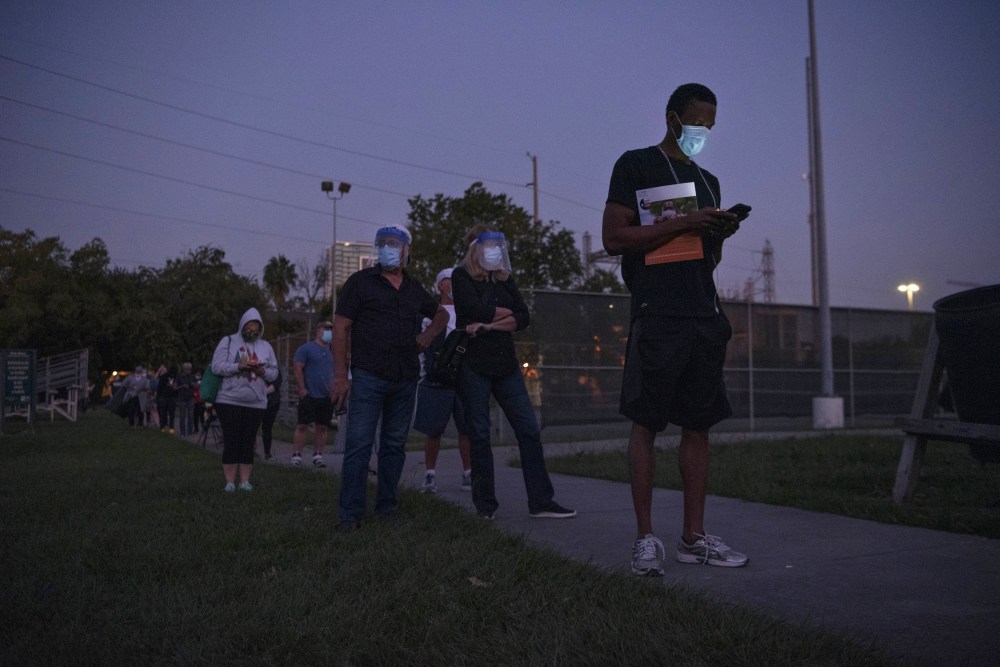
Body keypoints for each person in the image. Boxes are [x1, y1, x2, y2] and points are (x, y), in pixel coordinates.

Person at [601, 82, 748, 575]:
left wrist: (717, 232)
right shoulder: (636, 164)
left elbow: (709, 257)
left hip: (703, 312)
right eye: (696, 122)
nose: (703, 132)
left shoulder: (709, 181)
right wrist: (682, 225)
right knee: (646, 423)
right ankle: (646, 539)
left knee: (699, 425)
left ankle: (694, 536)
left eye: (710, 125)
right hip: (657, 309)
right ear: (671, 119)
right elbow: (615, 237)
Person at [452, 226, 576, 521]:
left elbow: (523, 317)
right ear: (475, 250)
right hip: (474, 366)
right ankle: (485, 506)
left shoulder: (506, 280)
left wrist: (492, 322)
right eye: (489, 245)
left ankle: (541, 501)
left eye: (498, 245)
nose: (495, 250)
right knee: (480, 435)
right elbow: (471, 309)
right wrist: (501, 313)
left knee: (529, 431)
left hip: (506, 366)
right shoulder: (462, 277)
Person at [331, 225, 448, 532]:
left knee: (394, 445)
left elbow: (442, 315)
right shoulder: (360, 283)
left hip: (405, 377)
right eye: (383, 244)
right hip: (368, 376)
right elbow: (341, 328)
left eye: (395, 244)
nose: (388, 249)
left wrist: (428, 334)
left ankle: (387, 506)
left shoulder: (413, 287)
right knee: (358, 444)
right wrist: (341, 376)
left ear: (407, 251)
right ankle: (350, 513)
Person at [415, 268, 472, 494]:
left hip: (463, 379)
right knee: (434, 430)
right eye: (450, 281)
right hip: (436, 379)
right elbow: (421, 347)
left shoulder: (468, 312)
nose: (454, 285)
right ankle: (430, 475)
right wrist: (422, 374)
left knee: (466, 429)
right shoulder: (430, 315)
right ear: (440, 285)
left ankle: (469, 473)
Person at [211, 307, 278, 492]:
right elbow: (216, 367)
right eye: (249, 326)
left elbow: (274, 374)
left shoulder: (266, 347)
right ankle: (230, 482)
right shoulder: (228, 341)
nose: (252, 330)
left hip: (256, 402)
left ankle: (245, 481)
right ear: (242, 325)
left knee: (248, 441)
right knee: (232, 440)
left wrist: (261, 370)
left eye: (256, 327)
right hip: (229, 399)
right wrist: (238, 366)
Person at [291, 321, 335, 468]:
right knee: (302, 425)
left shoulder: (332, 351)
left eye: (331, 329)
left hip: (326, 396)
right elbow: (298, 368)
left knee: (322, 427)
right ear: (318, 330)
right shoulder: (306, 349)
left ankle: (318, 455)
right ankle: (297, 455)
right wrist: (302, 389)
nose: (329, 331)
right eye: (326, 328)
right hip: (309, 395)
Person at [260, 368, 282, 460]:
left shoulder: (275, 369)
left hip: (271, 402)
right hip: (257, 401)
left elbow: (276, 383)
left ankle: (267, 452)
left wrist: (263, 392)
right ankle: (250, 450)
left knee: (267, 428)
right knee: (251, 426)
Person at [174, 362, 197, 436]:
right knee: (182, 415)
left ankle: (189, 432)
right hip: (182, 397)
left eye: (189, 369)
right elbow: (174, 387)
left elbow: (197, 386)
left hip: (191, 397)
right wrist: (182, 386)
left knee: (191, 415)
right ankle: (183, 432)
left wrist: (193, 384)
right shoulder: (179, 376)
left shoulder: (192, 376)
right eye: (186, 369)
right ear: (183, 369)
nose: (188, 370)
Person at [154, 364, 177, 433]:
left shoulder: (166, 377)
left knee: (165, 413)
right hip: (167, 397)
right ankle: (168, 427)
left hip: (167, 397)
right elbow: (159, 388)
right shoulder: (168, 377)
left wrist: (158, 397)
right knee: (168, 413)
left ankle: (164, 427)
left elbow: (159, 388)